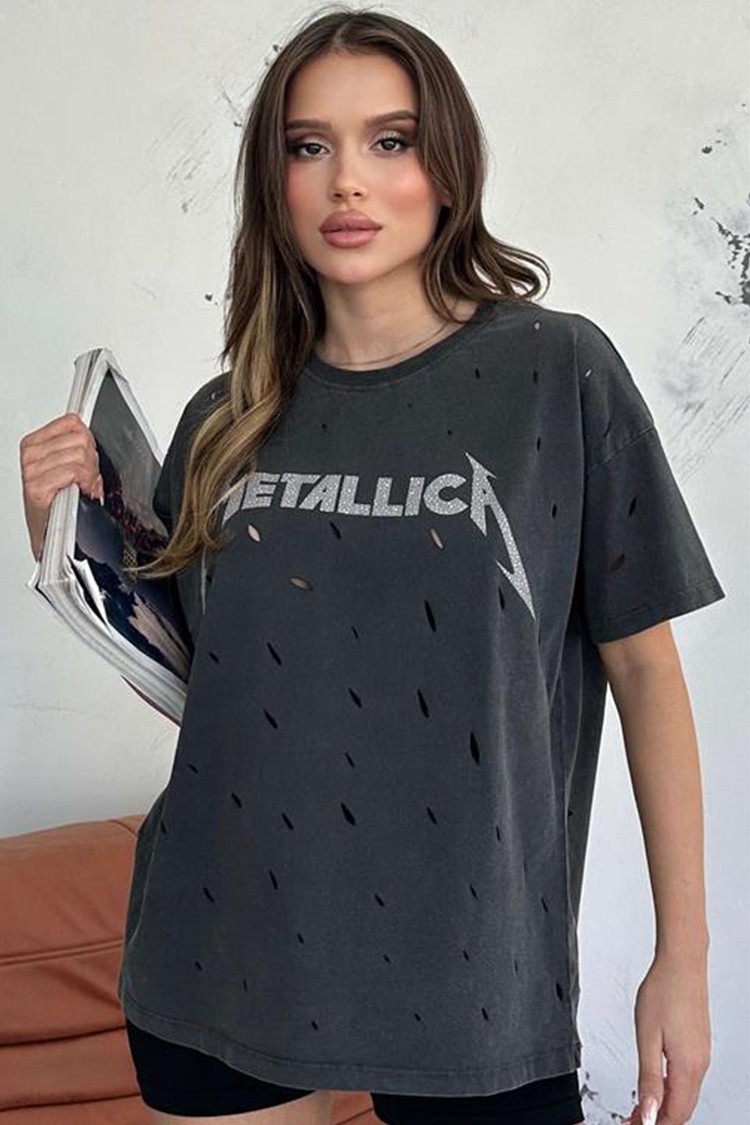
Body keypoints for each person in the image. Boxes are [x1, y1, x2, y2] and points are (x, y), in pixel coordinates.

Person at [20, 6, 724, 1125]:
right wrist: (68, 539)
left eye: (389, 140)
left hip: (477, 976)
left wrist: (681, 961)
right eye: (309, 146)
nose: (347, 180)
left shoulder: (556, 373)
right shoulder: (227, 418)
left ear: (447, 167)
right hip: (221, 948)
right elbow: (219, 694)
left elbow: (646, 674)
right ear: (275, 182)